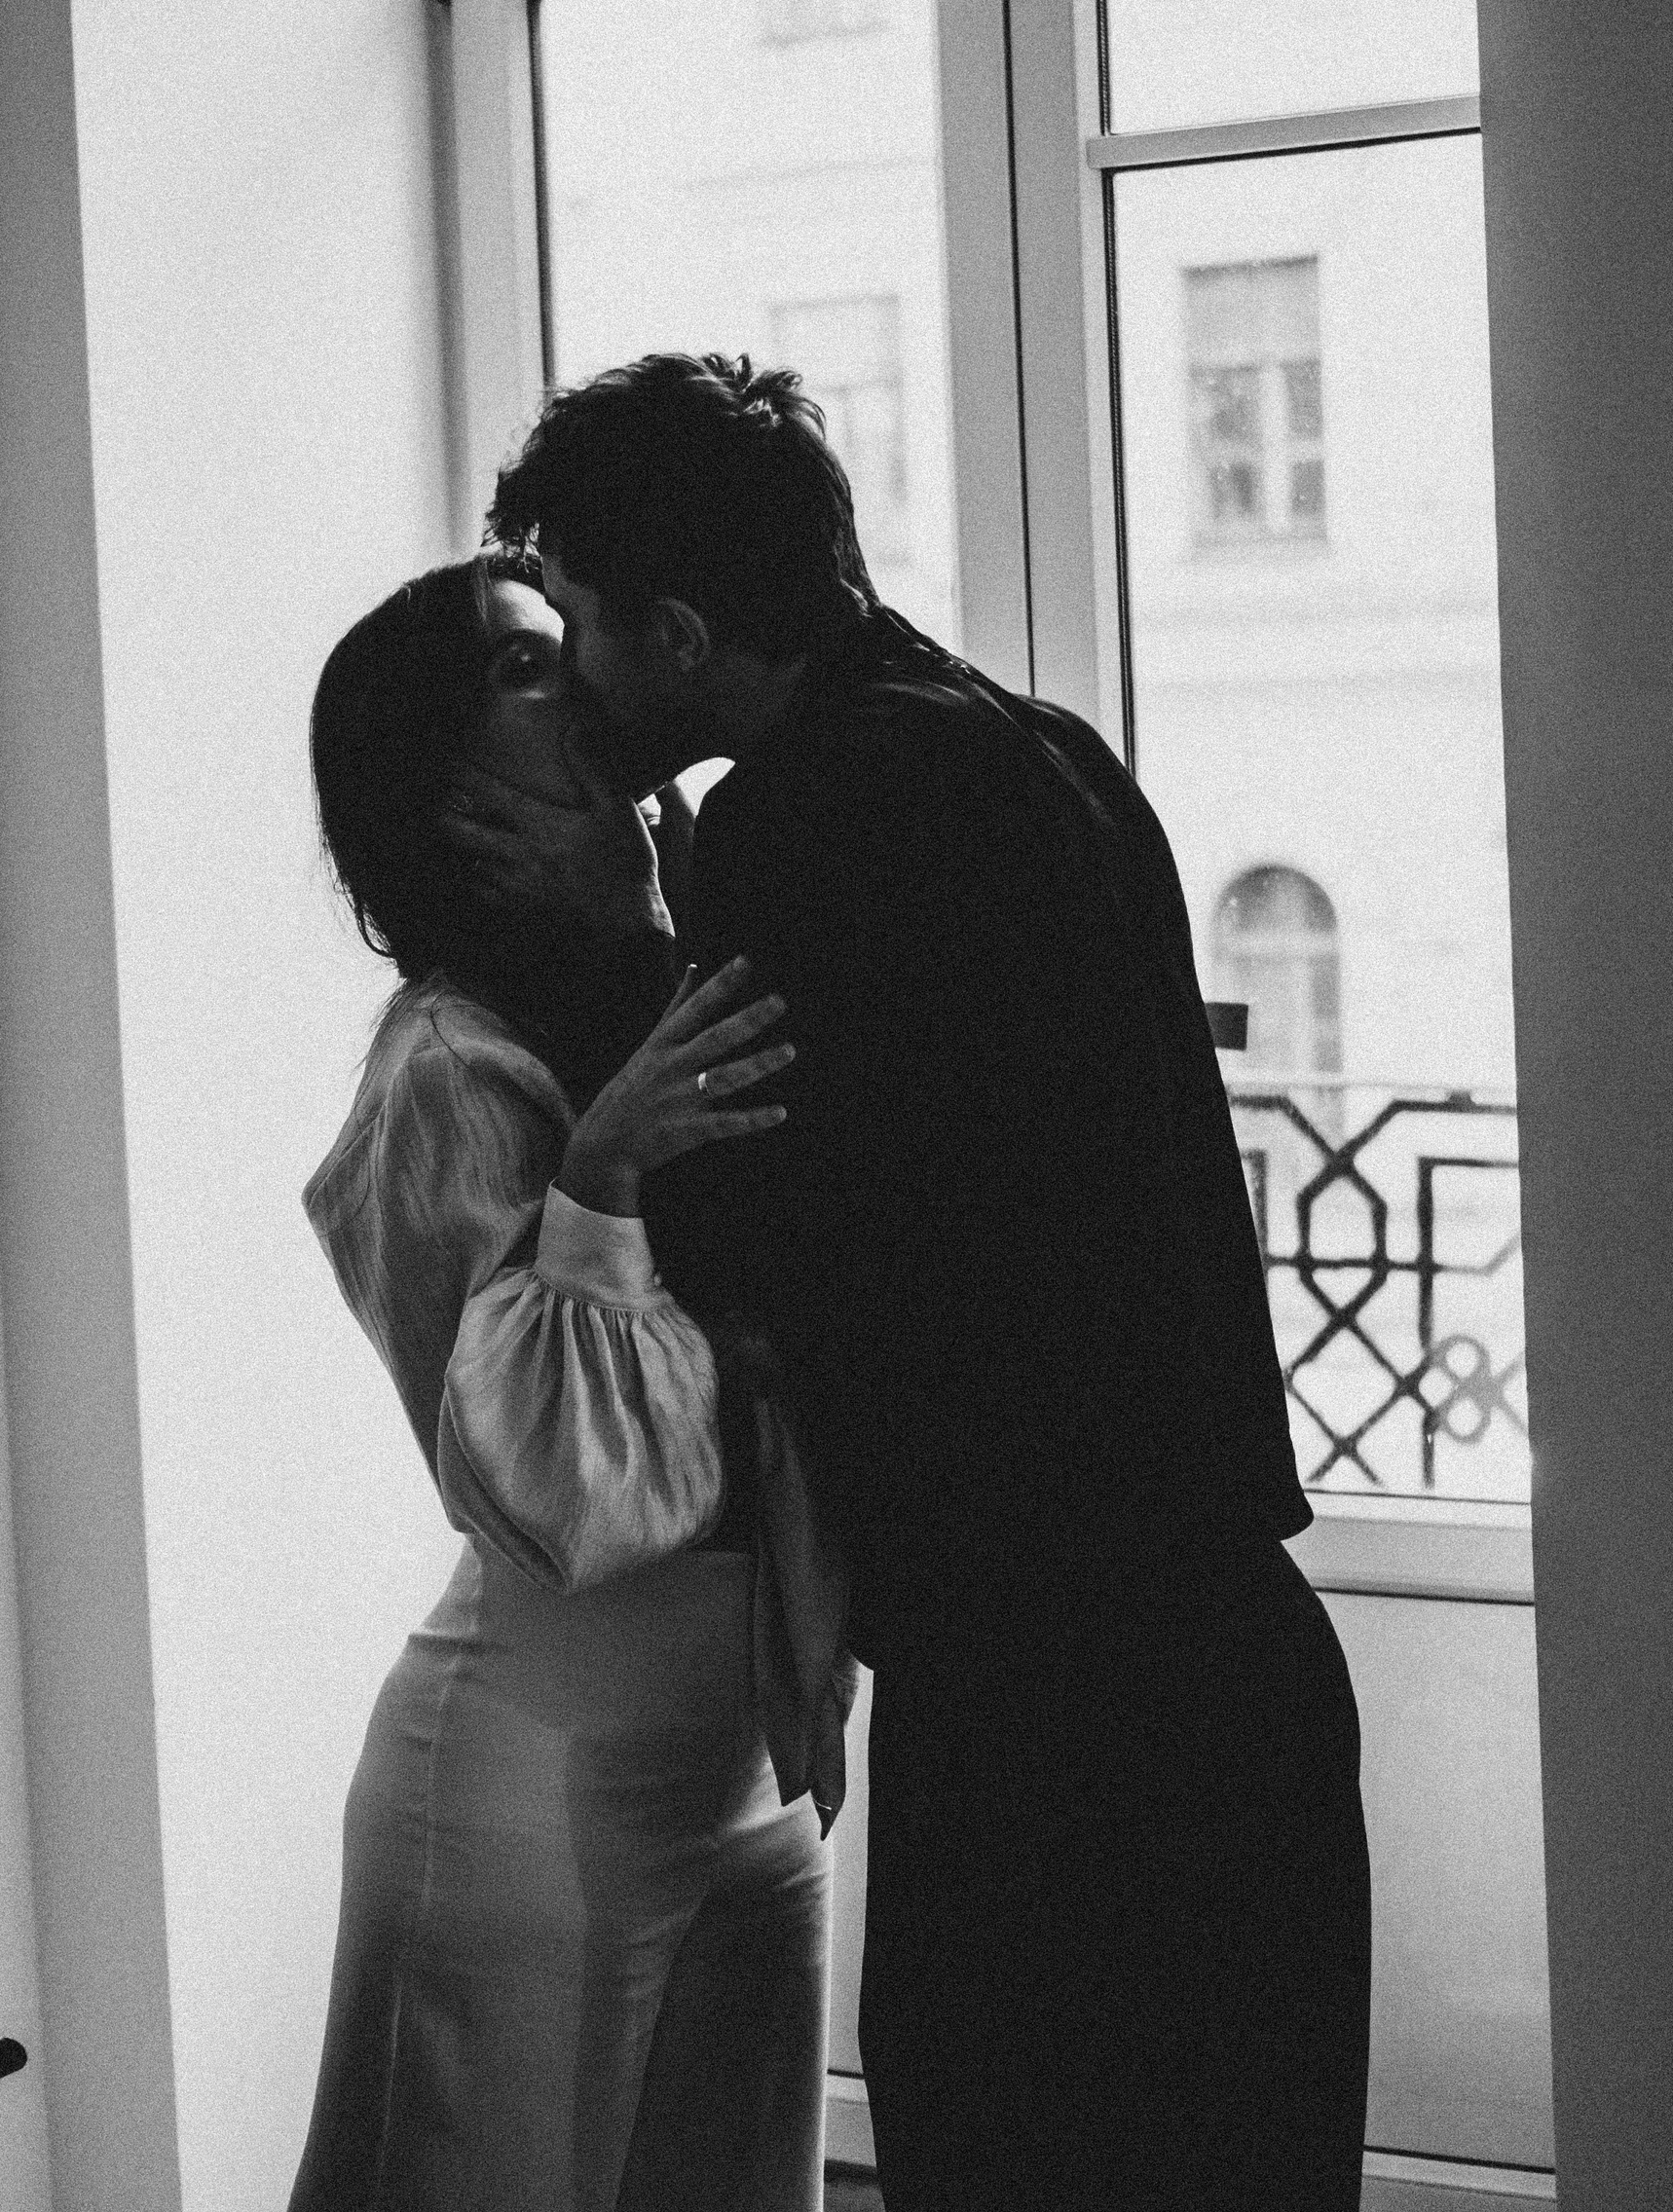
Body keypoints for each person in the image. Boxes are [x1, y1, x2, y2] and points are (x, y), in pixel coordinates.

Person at [479, 353, 1373, 2212]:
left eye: (575, 627)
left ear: (679, 632)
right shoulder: (1047, 751)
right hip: (1242, 1667)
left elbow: (732, 1260)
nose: (563, 681)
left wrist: (622, 952)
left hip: (1057, 1724)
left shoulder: (805, 819)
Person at [288, 552, 844, 2212]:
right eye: (528, 667)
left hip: (754, 1775)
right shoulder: (446, 1071)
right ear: (443, 780)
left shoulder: (676, 972)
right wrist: (595, 1181)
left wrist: (653, 912)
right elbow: (556, 1488)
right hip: (531, 1788)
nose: (587, 685)